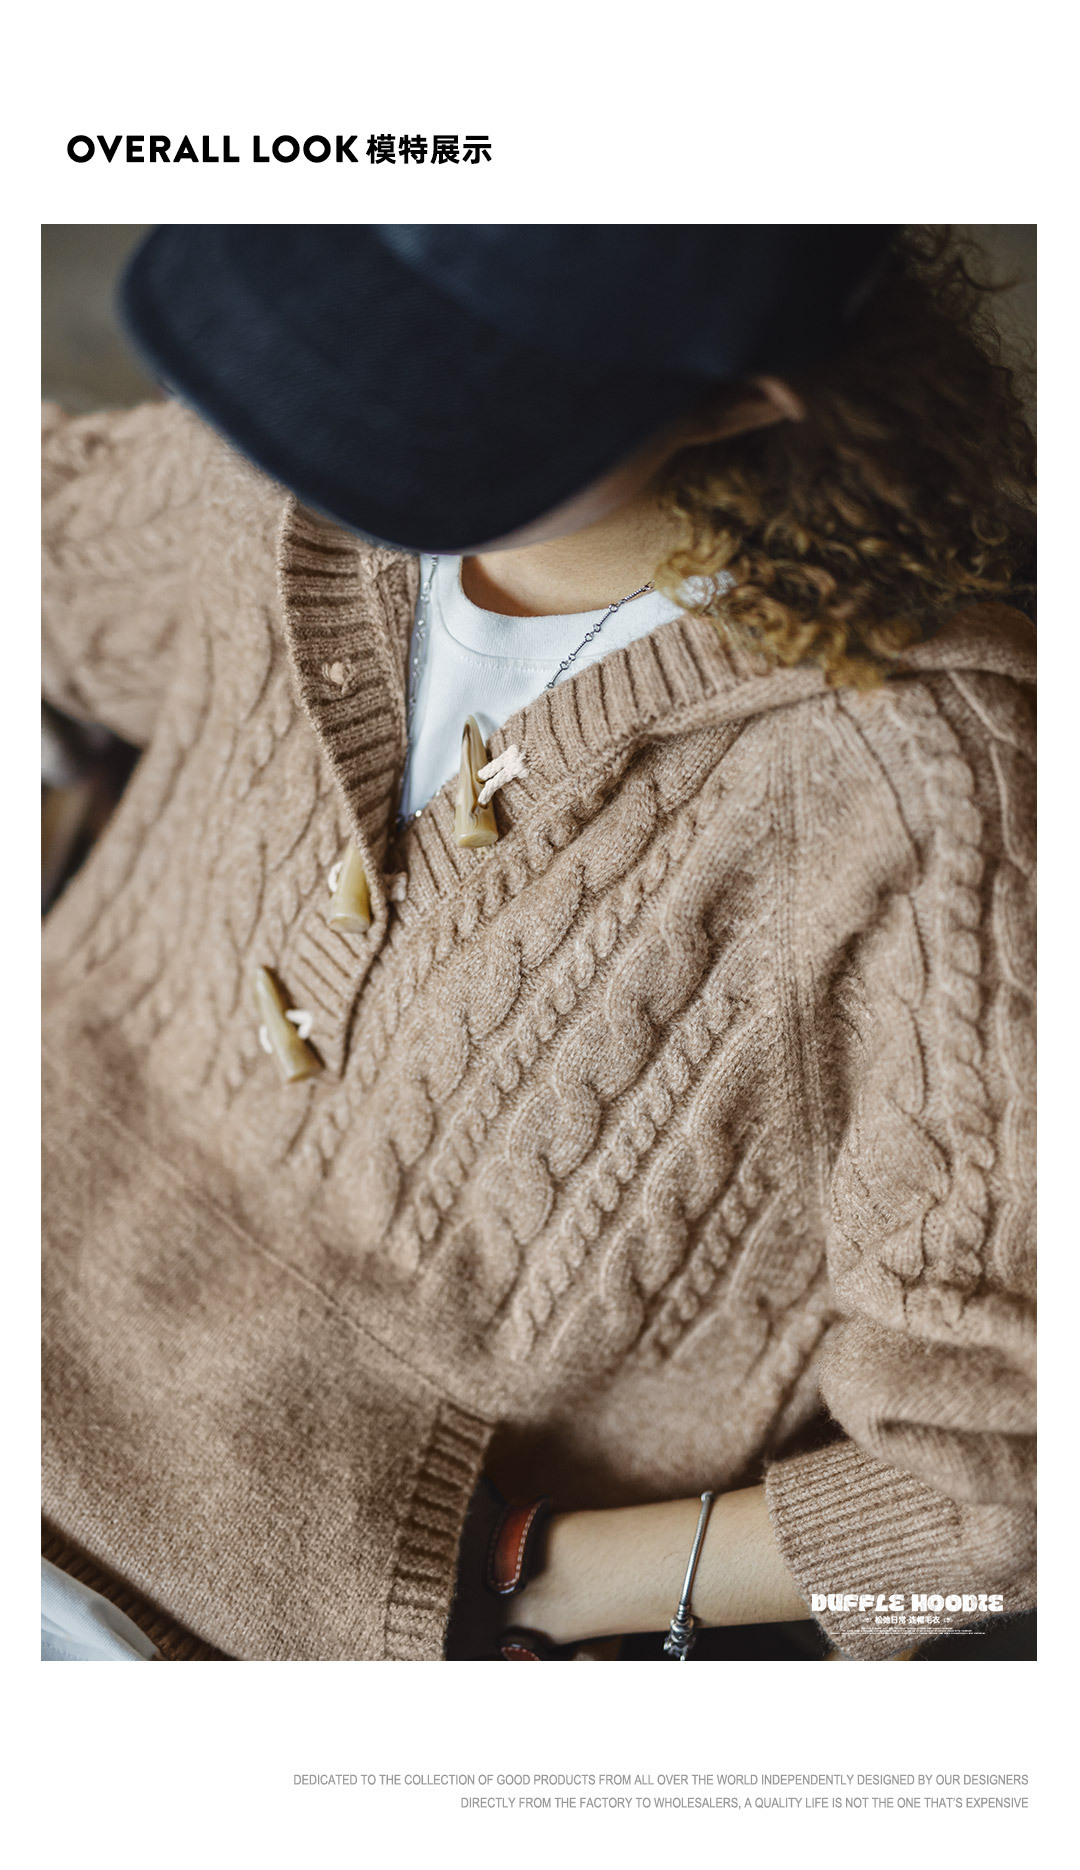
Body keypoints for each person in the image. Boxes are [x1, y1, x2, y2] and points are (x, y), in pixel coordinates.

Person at [41, 225, 1035, 1662]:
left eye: (452, 396)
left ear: (738, 399)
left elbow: (1003, 1502)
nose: (338, 415)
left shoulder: (941, 801)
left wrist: (524, 1581)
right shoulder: (279, 481)